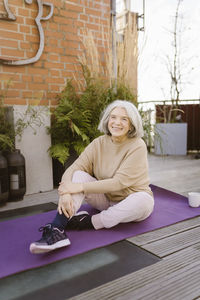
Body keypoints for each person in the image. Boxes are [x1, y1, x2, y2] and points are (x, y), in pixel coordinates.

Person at [30, 100, 154, 254]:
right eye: (113, 117)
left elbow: (118, 183)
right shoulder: (98, 143)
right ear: (107, 119)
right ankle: (57, 228)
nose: (117, 122)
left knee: (143, 201)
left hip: (132, 201)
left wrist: (79, 187)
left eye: (124, 119)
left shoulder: (137, 145)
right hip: (106, 200)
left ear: (132, 124)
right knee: (79, 175)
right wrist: (66, 193)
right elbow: (74, 168)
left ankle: (87, 222)